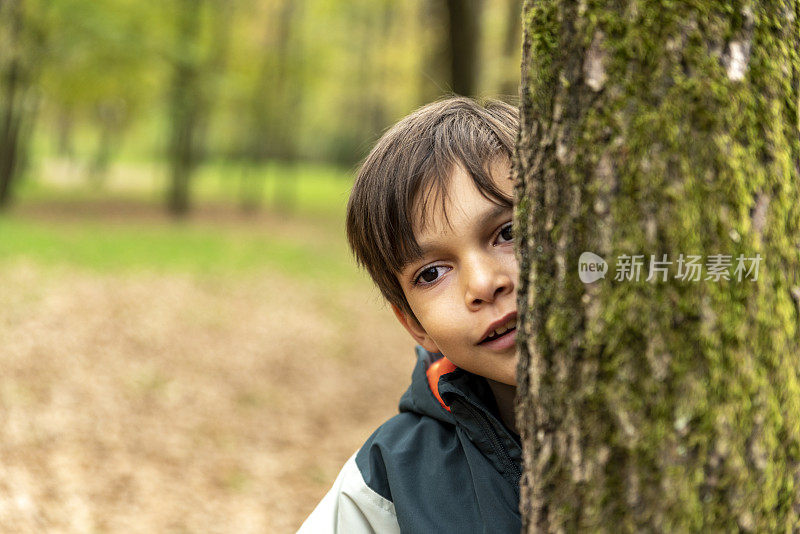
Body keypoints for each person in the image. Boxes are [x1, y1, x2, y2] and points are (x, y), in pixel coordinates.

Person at [298, 96, 521, 533]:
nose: (482, 284)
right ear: (415, 325)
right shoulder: (387, 485)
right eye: (433, 272)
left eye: (508, 232)